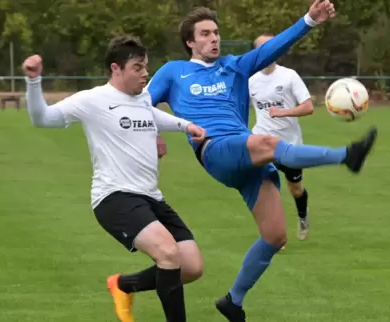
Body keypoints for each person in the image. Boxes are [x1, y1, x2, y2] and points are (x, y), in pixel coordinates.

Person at [147, 1, 377, 321]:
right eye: (205, 34)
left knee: (275, 236)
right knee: (268, 142)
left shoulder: (235, 65)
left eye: (216, 32)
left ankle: (233, 300)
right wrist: (155, 133)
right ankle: (347, 156)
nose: (214, 38)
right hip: (215, 149)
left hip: (245, 153)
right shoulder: (174, 72)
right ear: (190, 41)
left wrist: (310, 20)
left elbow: (275, 46)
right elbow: (141, 104)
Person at [22, 35, 206, 322]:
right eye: (137, 68)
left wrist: (185, 125)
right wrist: (34, 82)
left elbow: (152, 115)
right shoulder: (92, 100)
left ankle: (123, 285)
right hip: (114, 197)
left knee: (191, 266)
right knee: (168, 254)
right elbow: (42, 118)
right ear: (116, 69)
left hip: (150, 195)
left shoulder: (142, 97)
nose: (145, 73)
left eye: (146, 66)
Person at [249, 32, 314, 243]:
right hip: (262, 142)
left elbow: (308, 107)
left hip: (290, 145)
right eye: (263, 48)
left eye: (272, 46)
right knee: (266, 189)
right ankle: (273, 235)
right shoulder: (250, 81)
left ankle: (303, 217)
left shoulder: (289, 76)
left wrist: (283, 112)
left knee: (295, 190)